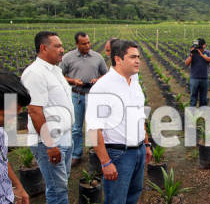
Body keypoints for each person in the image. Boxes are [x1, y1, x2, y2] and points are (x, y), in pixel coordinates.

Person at [85, 39, 152, 204]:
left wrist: (147, 144)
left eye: (138, 57)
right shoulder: (102, 88)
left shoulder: (134, 82)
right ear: (118, 59)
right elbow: (93, 129)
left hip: (139, 151)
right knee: (116, 200)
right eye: (132, 57)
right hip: (118, 154)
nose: (138, 60)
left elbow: (139, 116)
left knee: (134, 194)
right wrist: (106, 162)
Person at [21, 31, 75, 204]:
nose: (62, 50)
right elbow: (35, 111)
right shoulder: (35, 73)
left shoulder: (56, 70)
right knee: (57, 189)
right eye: (57, 46)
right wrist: (50, 145)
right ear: (44, 48)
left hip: (65, 136)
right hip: (50, 141)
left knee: (61, 184)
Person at [60, 31, 107, 166]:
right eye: (84, 43)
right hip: (77, 95)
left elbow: (106, 74)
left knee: (94, 126)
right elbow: (60, 75)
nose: (87, 45)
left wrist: (97, 80)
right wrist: (73, 81)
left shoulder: (97, 57)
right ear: (77, 44)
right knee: (76, 127)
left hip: (93, 96)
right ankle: (76, 154)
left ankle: (95, 151)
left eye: (88, 42)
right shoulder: (68, 58)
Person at [0, 71, 30, 204]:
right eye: (11, 113)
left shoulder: (1, 133)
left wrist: (18, 186)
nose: (13, 119)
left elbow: (3, 161)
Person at [185, 38, 210, 107]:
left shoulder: (207, 52)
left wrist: (201, 55)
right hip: (194, 78)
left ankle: (202, 112)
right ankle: (192, 112)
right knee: (193, 96)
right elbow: (186, 63)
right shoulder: (193, 52)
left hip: (204, 78)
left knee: (203, 97)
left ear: (204, 45)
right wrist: (191, 55)